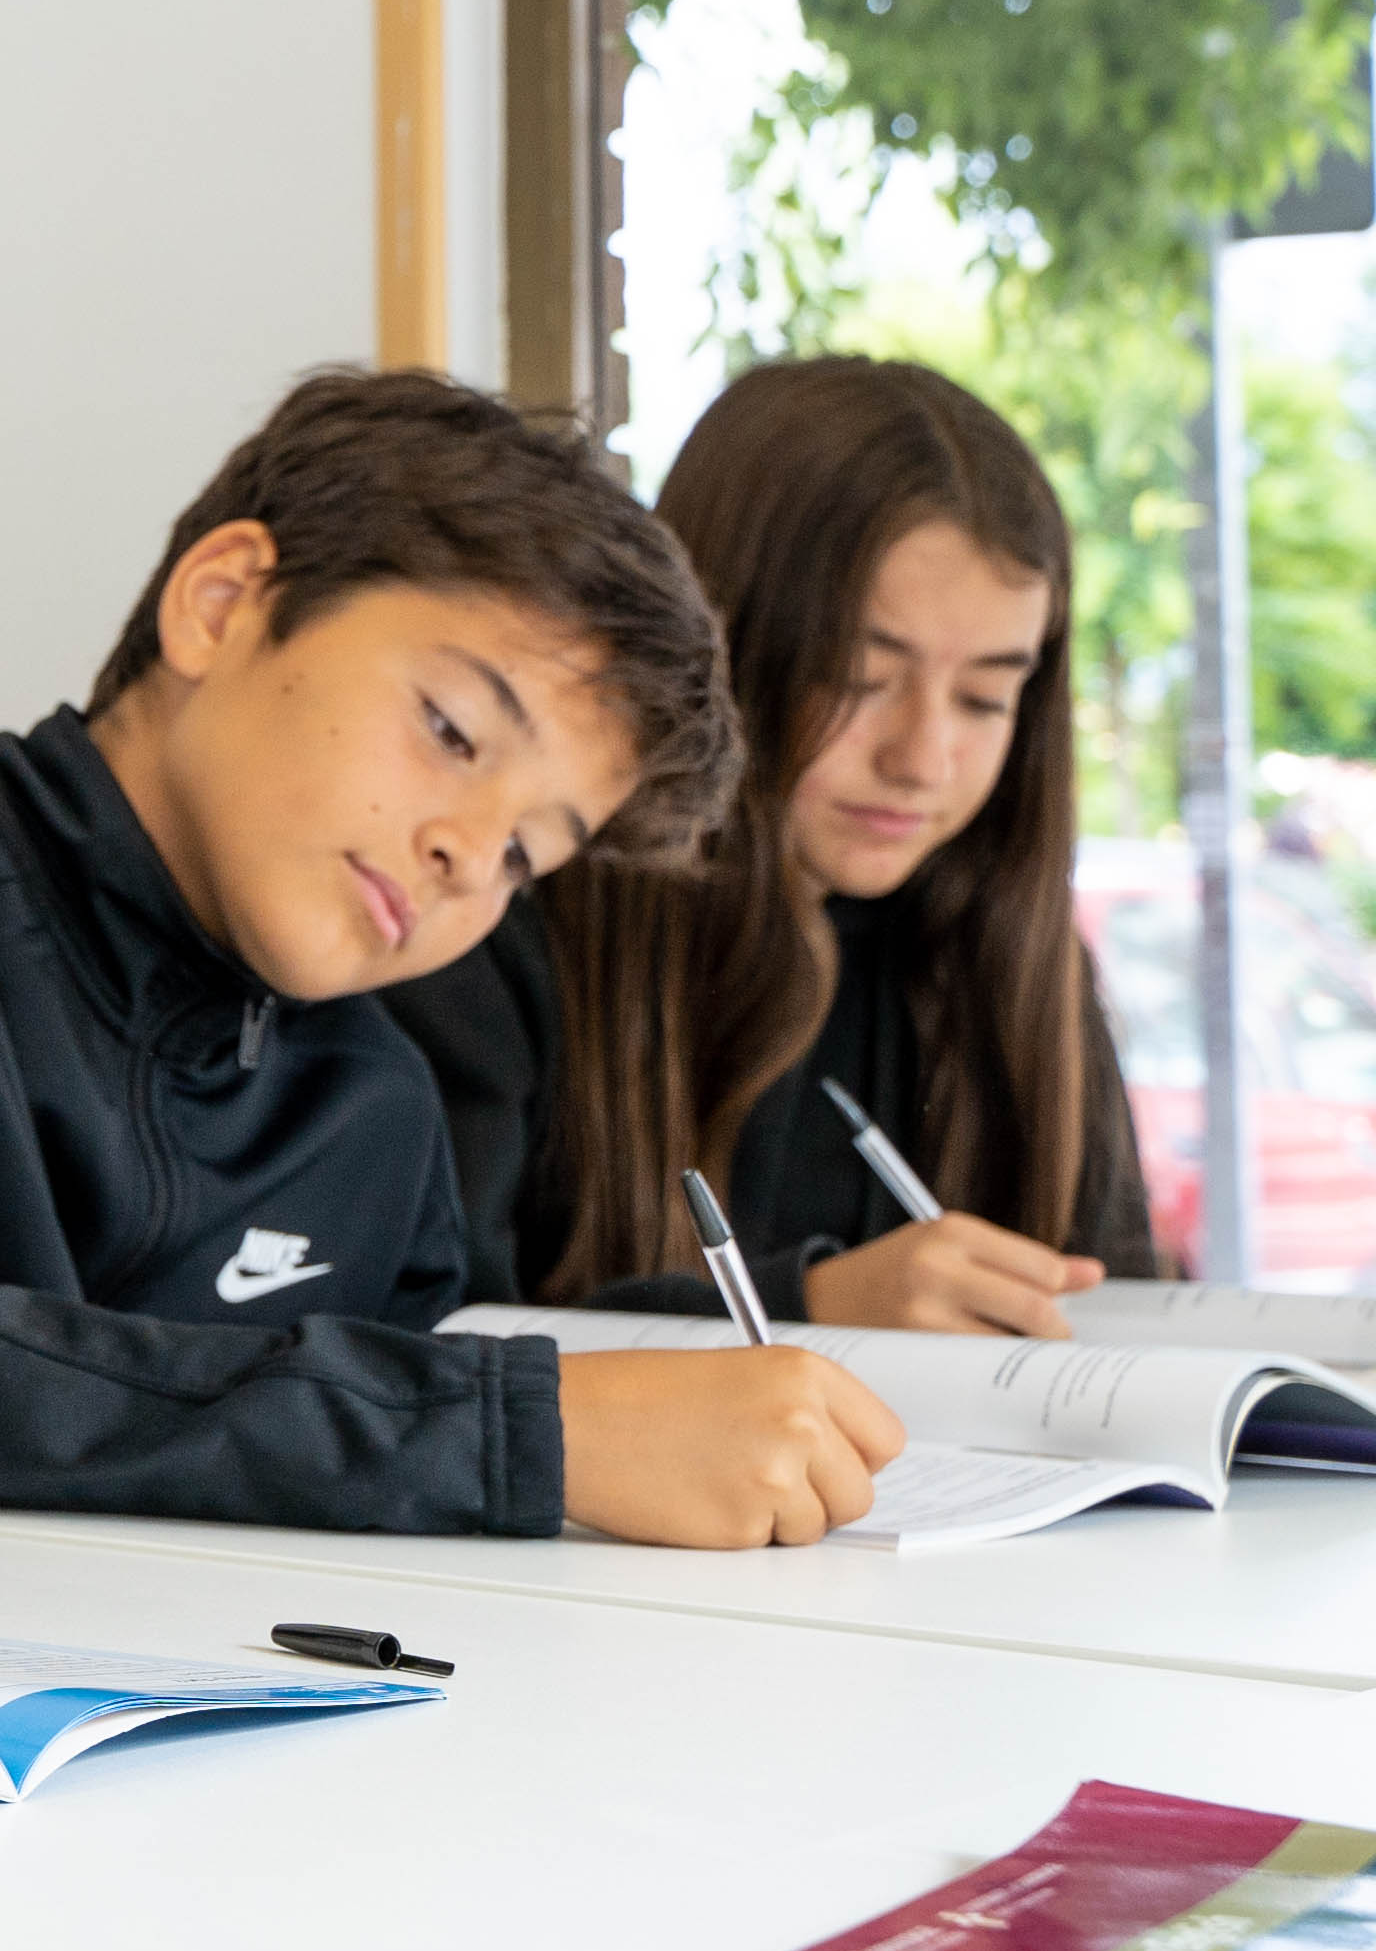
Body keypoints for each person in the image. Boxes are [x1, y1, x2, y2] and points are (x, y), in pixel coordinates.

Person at [0, 369, 921, 1546]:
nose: (462, 855)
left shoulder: (372, 1107)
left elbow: (366, 1458)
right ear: (225, 601)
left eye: (525, 855)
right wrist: (503, 1428)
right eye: (450, 730)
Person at [385, 355, 1160, 1328]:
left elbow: (1119, 1309)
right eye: (858, 676)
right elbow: (413, 1365)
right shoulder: (495, 919)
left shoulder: (1007, 959)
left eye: (985, 697)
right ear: (725, 643)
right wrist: (810, 1312)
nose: (923, 758)